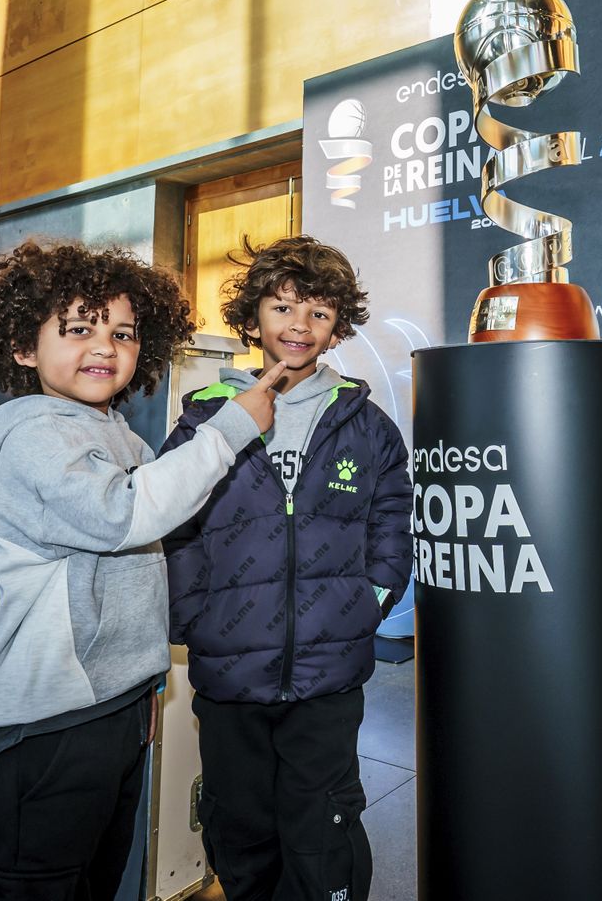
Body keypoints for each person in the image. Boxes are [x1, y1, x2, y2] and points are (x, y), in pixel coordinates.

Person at [0, 240, 283, 900]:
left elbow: (140, 571)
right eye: (78, 327)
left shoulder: (115, 432)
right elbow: (123, 516)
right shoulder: (32, 433)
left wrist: (142, 687)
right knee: (31, 883)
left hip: (111, 706)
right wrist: (228, 432)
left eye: (123, 332)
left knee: (95, 873)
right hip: (49, 719)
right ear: (23, 345)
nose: (104, 345)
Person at [160, 236, 413, 901]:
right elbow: (176, 525)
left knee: (322, 822)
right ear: (253, 317)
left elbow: (392, 516)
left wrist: (372, 597)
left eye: (320, 312)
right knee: (240, 823)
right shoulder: (205, 418)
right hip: (230, 672)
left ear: (338, 328)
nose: (300, 325)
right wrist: (195, 616)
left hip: (328, 676)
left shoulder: (366, 424)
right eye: (283, 307)